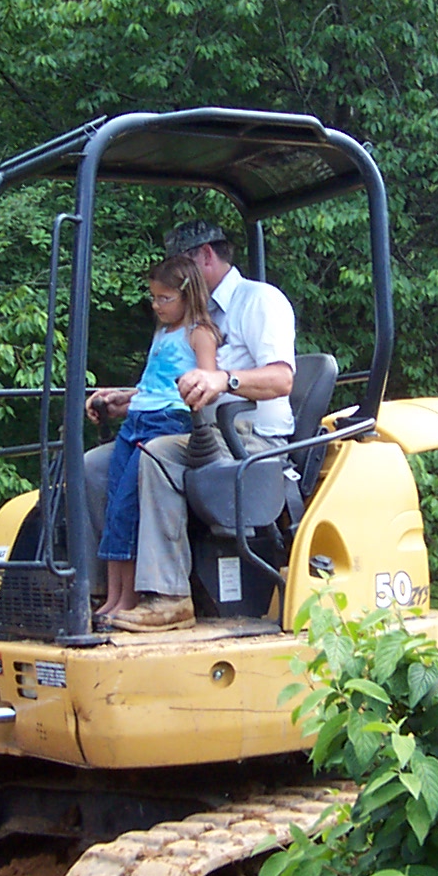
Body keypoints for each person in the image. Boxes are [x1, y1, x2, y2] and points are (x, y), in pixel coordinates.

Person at [84, 219, 297, 632]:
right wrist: (128, 400)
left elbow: (282, 379)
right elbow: (174, 383)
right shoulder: (186, 318)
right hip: (191, 428)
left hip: (248, 439)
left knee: (157, 453)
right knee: (95, 466)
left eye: (181, 265)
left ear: (205, 256)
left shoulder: (259, 301)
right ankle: (103, 593)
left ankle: (168, 597)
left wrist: (225, 379)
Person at [94, 255, 220, 618]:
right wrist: (121, 398)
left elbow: (207, 383)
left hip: (168, 421)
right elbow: (151, 384)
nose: (157, 306)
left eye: (165, 298)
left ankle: (130, 599)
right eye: (154, 298)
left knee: (128, 508)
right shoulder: (162, 333)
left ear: (187, 294)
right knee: (114, 504)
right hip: (136, 418)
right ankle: (113, 595)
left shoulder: (200, 333)